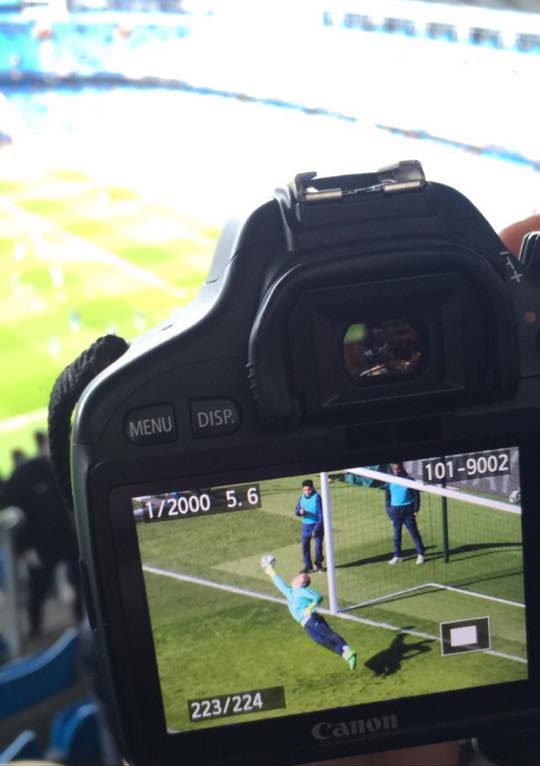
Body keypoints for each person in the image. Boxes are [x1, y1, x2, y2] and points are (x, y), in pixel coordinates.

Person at [1, 433, 82, 637]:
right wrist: (25, 549)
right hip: (40, 545)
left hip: (66, 538)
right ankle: (34, 629)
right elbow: (13, 513)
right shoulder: (23, 477)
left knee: (81, 580)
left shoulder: (61, 469)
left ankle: (81, 619)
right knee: (38, 587)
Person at [262, 558, 356, 670]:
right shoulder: (290, 592)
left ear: (302, 582)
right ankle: (346, 655)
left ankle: (347, 650)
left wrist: (310, 607)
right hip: (306, 624)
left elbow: (318, 597)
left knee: (328, 634)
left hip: (312, 619)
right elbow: (279, 583)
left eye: (299, 577)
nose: (295, 578)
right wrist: (271, 572)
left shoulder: (303, 591)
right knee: (320, 640)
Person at [383, 463, 425, 565]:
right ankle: (397, 556)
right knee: (397, 536)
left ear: (402, 469)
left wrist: (416, 510)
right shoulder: (389, 482)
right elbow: (387, 499)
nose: (396, 471)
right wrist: (390, 513)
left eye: (398, 469)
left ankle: (421, 554)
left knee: (414, 533)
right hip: (395, 511)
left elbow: (416, 496)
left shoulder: (409, 480)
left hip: (407, 511)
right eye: (394, 469)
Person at [295, 478, 325, 573]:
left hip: (317, 526)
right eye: (305, 490)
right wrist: (300, 512)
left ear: (312, 488)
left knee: (318, 548)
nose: (307, 492)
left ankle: (319, 564)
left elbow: (321, 516)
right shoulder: (301, 498)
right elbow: (296, 511)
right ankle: (308, 567)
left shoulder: (317, 498)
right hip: (305, 526)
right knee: (305, 547)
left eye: (309, 490)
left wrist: (316, 530)